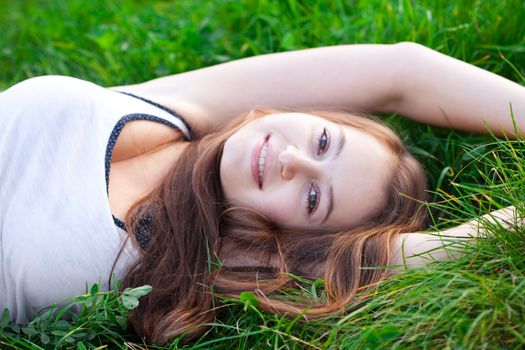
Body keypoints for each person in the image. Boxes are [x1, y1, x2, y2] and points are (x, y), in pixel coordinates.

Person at [0, 42, 523, 344]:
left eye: (314, 198)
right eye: (323, 140)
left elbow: (432, 251)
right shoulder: (183, 108)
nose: (293, 161)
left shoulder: (208, 253)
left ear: (289, 240)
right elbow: (402, 71)